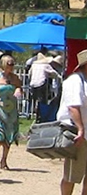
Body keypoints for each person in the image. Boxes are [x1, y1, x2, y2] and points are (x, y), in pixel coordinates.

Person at [58, 49, 87, 195]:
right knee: (72, 175)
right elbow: (73, 107)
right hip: (77, 133)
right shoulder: (75, 81)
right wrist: (80, 129)